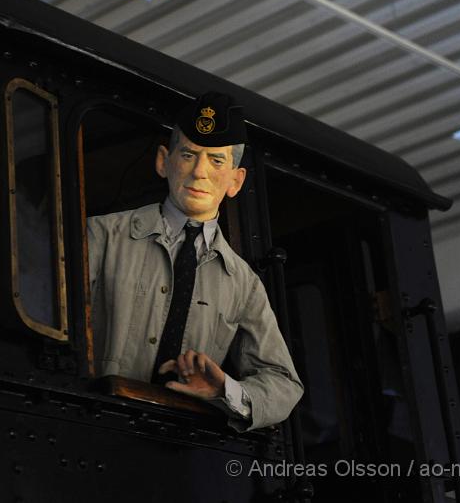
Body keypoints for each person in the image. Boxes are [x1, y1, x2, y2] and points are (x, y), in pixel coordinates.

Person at [87, 91, 303, 431]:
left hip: (182, 451)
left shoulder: (243, 283)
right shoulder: (101, 236)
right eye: (188, 154)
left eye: (217, 161)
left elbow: (283, 384)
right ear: (163, 161)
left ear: (236, 181)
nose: (199, 171)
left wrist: (225, 391)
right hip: (91, 424)